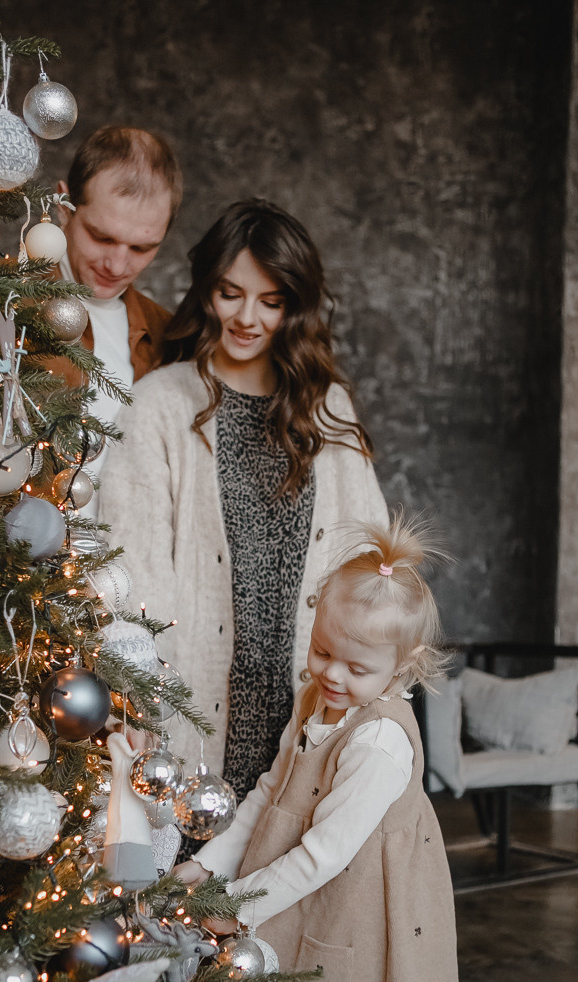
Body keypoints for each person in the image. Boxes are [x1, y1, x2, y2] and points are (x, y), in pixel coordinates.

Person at [176, 515, 461, 982]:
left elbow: (326, 853)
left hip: (360, 917)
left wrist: (237, 905)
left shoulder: (379, 739)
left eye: (356, 668)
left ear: (402, 668)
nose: (332, 675)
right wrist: (206, 869)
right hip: (309, 901)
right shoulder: (317, 703)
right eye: (323, 652)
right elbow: (268, 795)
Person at [99, 200, 387, 796]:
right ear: (207, 289)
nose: (247, 318)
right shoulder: (159, 404)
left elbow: (373, 566)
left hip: (313, 707)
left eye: (271, 301)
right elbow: (133, 572)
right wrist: (142, 698)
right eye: (230, 294)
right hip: (195, 710)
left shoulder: (328, 408)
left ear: (295, 306)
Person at [52, 126, 182, 507]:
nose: (117, 265)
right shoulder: (4, 305)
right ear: (64, 207)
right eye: (102, 237)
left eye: (141, 248)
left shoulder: (171, 337)